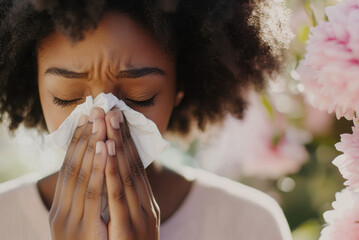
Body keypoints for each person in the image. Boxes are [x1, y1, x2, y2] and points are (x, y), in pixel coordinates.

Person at [0, 0, 293, 239]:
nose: (103, 122)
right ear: (35, 86)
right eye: (67, 96)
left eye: (140, 97)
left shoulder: (250, 223)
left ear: (179, 89)